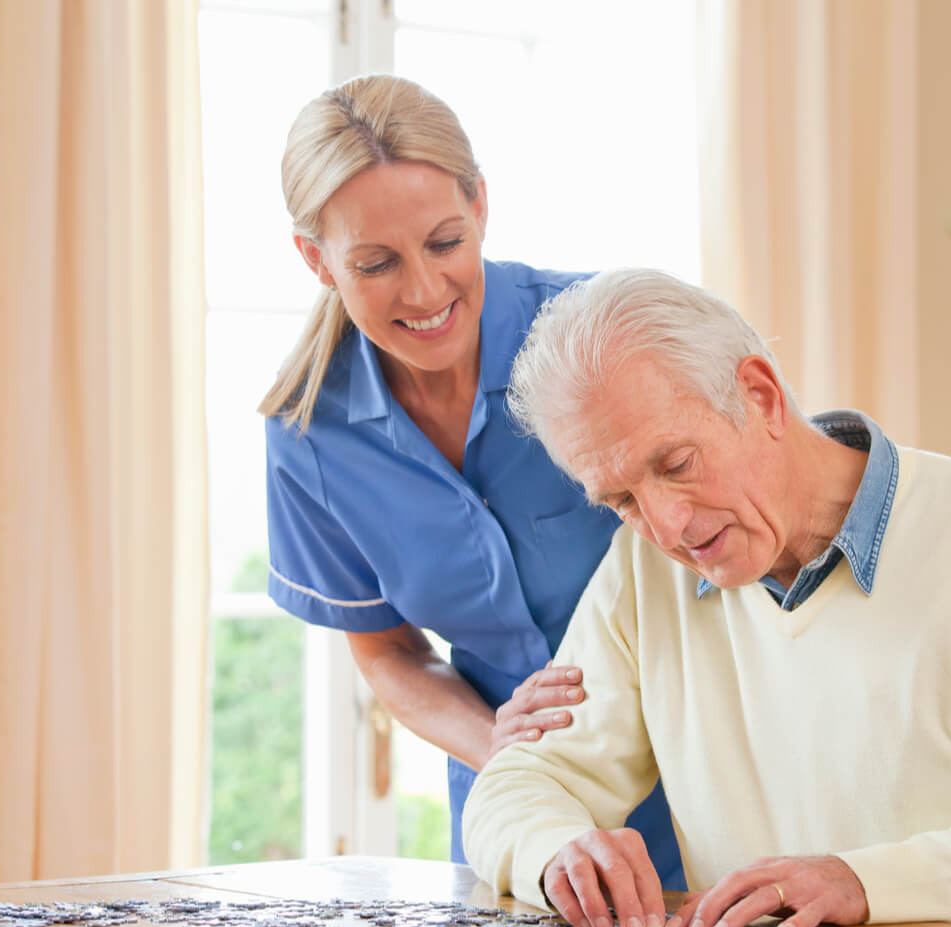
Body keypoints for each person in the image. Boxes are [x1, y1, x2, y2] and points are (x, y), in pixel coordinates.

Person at [464, 268, 951, 927]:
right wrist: (554, 849)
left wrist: (865, 883)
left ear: (761, 395)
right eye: (621, 500)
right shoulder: (641, 576)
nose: (669, 528)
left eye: (677, 465)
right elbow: (517, 789)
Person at [261, 75, 682, 883]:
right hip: (515, 810)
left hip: (700, 780)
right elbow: (387, 651)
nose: (423, 292)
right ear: (317, 260)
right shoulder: (308, 434)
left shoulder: (604, 338)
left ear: (481, 206)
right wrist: (506, 753)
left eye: (446, 243)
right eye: (376, 263)